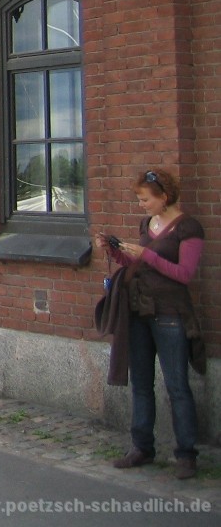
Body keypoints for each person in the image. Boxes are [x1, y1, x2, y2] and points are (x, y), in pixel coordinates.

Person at [97, 168, 205, 480]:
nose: (141, 205)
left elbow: (184, 274)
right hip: (138, 310)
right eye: (140, 199)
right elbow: (138, 264)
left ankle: (186, 453)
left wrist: (147, 254)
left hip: (169, 312)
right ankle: (142, 446)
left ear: (164, 197)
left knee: (177, 384)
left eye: (146, 199)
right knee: (141, 382)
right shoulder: (147, 224)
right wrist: (116, 251)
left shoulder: (188, 227)